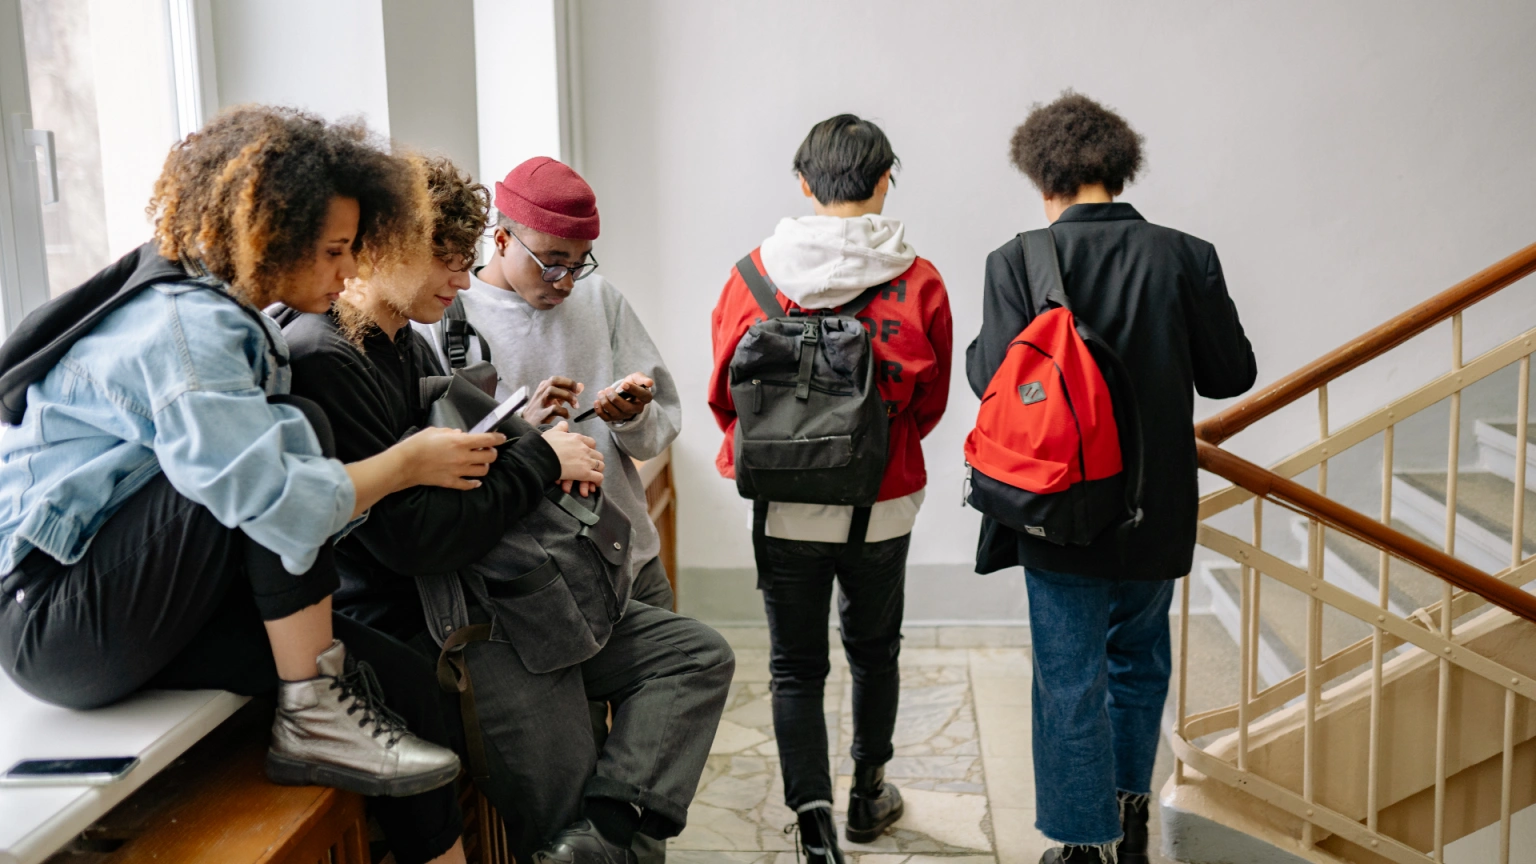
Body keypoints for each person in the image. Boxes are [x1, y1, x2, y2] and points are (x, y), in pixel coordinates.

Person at [0, 106, 492, 864]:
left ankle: (336, 728)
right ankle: (314, 710)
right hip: (58, 621)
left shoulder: (226, 314)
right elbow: (279, 503)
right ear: (270, 238)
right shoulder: (186, 331)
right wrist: (404, 465)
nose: (350, 271)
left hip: (140, 597)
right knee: (298, 428)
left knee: (400, 683)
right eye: (334, 252)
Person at [283, 155, 734, 864]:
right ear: (389, 247)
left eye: (576, 265)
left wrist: (526, 432)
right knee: (564, 801)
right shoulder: (331, 351)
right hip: (472, 618)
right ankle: (595, 840)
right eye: (448, 260)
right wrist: (541, 457)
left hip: (540, 579)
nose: (461, 280)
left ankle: (603, 839)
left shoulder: (398, 343)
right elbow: (420, 535)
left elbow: (460, 473)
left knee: (694, 661)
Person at [966, 92, 1257, 864]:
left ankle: (1080, 845)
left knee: (1069, 680)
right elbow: (1230, 375)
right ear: (1123, 170)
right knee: (1139, 660)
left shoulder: (1017, 260)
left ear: (1042, 178)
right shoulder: (1187, 254)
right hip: (1156, 507)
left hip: (1056, 507)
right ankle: (1130, 819)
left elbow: (991, 380)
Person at [708, 114, 953, 862]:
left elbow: (724, 395)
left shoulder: (752, 276)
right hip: (883, 503)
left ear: (804, 185)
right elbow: (931, 404)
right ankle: (868, 795)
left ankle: (813, 829)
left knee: (794, 667)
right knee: (875, 652)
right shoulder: (919, 281)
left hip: (783, 507)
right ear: (884, 181)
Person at [414, 156, 681, 613]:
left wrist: (632, 417)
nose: (567, 284)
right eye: (553, 264)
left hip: (632, 558)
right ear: (502, 240)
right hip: (533, 579)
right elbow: (440, 464)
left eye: (579, 265)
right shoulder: (443, 315)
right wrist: (523, 429)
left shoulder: (602, 299)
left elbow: (657, 436)